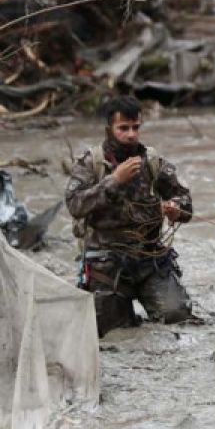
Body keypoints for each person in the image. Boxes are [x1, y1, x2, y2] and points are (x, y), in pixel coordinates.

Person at [65, 95, 193, 335]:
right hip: (106, 264)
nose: (132, 134)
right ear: (109, 129)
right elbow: (75, 205)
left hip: (150, 260)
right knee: (112, 335)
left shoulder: (152, 161)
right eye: (123, 128)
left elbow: (187, 204)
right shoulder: (91, 163)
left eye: (136, 127)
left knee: (178, 317)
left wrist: (176, 208)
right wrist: (113, 181)